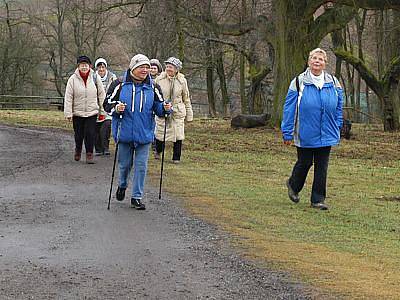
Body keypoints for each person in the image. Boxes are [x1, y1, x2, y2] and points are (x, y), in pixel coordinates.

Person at [103, 54, 172, 210]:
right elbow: (107, 104)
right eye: (142, 67)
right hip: (124, 133)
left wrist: (166, 109)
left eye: (147, 67)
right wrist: (116, 108)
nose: (145, 70)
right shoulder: (119, 84)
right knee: (124, 166)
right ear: (133, 68)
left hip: (144, 134)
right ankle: (122, 185)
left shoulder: (153, 87)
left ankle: (136, 197)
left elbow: (159, 108)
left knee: (141, 166)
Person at [281, 48, 343, 210]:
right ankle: (293, 185)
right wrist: (287, 132)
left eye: (320, 59)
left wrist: (337, 125)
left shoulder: (334, 82)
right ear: (309, 62)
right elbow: (289, 108)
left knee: (322, 166)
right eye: (314, 58)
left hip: (327, 131)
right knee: (305, 162)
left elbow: (338, 107)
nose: (317, 61)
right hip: (305, 131)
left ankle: (317, 199)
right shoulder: (298, 82)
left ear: (325, 63)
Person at [64, 55, 105, 164]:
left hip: (92, 112)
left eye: (86, 65)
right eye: (82, 65)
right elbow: (68, 97)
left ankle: (89, 154)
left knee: (90, 133)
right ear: (78, 66)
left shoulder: (95, 78)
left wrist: (102, 111)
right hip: (77, 113)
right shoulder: (72, 79)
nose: (84, 67)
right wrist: (68, 113)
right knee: (78, 134)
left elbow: (101, 95)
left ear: (90, 66)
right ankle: (78, 149)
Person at [153, 57, 193, 163]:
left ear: (176, 69)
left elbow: (186, 98)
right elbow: (154, 95)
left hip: (177, 112)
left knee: (178, 135)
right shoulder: (159, 79)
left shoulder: (182, 81)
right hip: (163, 109)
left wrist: (189, 114)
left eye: (171, 67)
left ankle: (176, 158)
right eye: (167, 66)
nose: (168, 69)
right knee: (160, 133)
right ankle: (158, 151)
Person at [94, 57, 117, 156]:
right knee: (96, 128)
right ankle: (98, 149)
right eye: (99, 67)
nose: (101, 69)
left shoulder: (112, 77)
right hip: (95, 106)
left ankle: (106, 147)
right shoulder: (93, 77)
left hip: (108, 106)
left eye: (103, 67)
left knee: (106, 126)